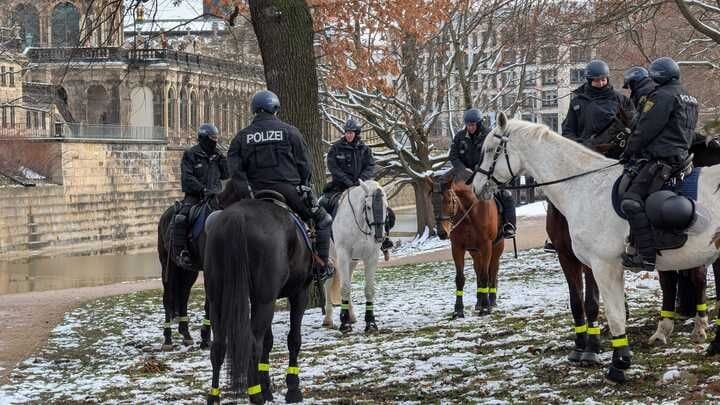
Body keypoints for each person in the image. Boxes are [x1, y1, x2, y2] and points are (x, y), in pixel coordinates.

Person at [227, 90, 333, 281]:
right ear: (275, 108)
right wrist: (303, 185)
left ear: (254, 110)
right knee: (324, 220)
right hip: (288, 191)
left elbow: (235, 169)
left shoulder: (242, 137)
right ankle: (321, 266)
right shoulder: (290, 132)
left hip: (255, 194)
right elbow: (304, 164)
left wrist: (247, 192)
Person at [545, 59, 635, 253]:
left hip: (616, 157)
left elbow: (633, 127)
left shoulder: (621, 100)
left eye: (603, 79)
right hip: (585, 157)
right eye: (596, 80)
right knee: (556, 191)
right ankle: (557, 236)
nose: (601, 83)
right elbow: (568, 131)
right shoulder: (577, 101)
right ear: (588, 80)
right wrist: (582, 146)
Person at [620, 57, 698, 272]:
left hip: (662, 159)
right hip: (682, 156)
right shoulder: (689, 96)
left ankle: (645, 257)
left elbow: (645, 129)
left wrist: (629, 152)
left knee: (631, 201)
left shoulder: (661, 96)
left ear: (658, 76)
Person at [321, 118, 395, 252]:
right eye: (347, 132)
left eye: (351, 132)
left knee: (386, 211)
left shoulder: (365, 149)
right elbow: (333, 167)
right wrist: (347, 181)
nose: (349, 135)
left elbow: (370, 166)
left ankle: (384, 239)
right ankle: (323, 237)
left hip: (361, 187)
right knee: (323, 204)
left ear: (356, 133)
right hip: (340, 187)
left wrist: (361, 179)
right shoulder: (336, 148)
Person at [448, 108, 516, 239]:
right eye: (468, 125)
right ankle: (445, 223)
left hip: (486, 176)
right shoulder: (459, 137)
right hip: (464, 177)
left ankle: (509, 225)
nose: (470, 127)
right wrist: (463, 170)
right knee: (444, 194)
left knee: (506, 195)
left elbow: (495, 156)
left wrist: (482, 170)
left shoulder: (489, 136)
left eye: (473, 125)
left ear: (479, 124)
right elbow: (453, 156)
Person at [174, 123, 229, 269]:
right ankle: (182, 251)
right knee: (181, 217)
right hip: (195, 196)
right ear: (203, 138)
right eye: (212, 138)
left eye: (216, 138)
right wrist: (203, 190)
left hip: (216, 196)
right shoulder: (191, 154)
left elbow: (226, 175)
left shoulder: (217, 155)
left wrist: (223, 160)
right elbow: (187, 178)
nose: (215, 141)